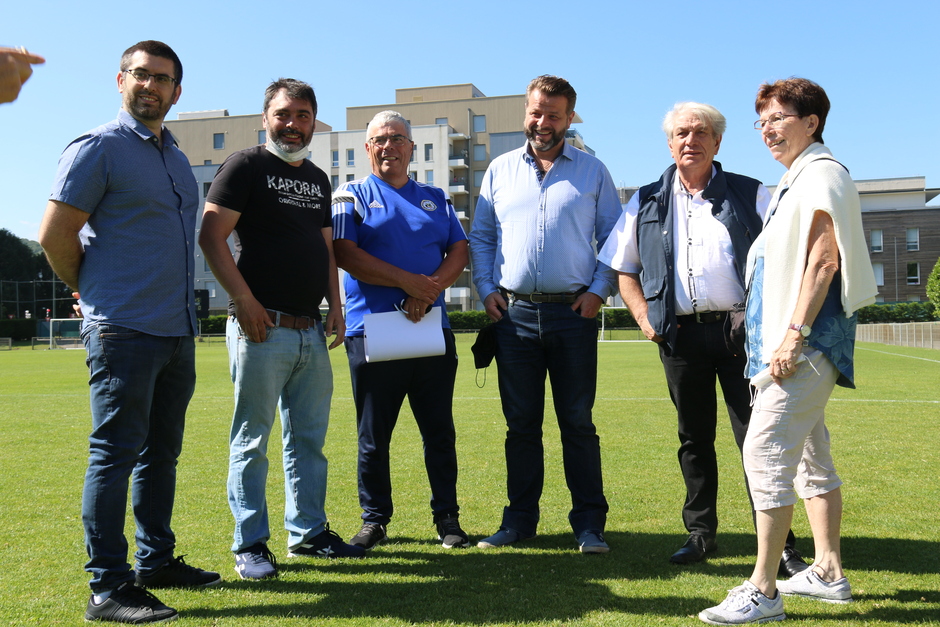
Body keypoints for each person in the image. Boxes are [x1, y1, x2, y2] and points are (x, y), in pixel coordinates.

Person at [38, 40, 220, 624]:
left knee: (160, 454)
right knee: (114, 455)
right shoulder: (99, 149)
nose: (151, 86)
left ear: (177, 91)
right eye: (141, 75)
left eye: (163, 79)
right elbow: (54, 234)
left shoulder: (172, 157)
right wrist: (90, 291)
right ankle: (108, 588)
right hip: (121, 329)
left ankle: (155, 562)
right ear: (120, 81)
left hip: (174, 330)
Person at [597, 102, 807, 575]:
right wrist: (642, 317)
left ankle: (781, 544)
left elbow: (788, 255)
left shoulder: (752, 193)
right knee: (693, 439)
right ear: (669, 144)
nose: (690, 140)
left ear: (717, 142)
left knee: (757, 438)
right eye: (681, 133)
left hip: (745, 336)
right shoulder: (647, 200)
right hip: (680, 338)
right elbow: (622, 266)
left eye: (701, 132)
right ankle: (700, 533)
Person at [699, 78, 877, 624]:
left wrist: (793, 335)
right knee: (808, 457)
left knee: (765, 451)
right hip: (788, 343)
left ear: (811, 122)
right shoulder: (794, 180)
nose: (768, 130)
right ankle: (827, 572)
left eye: (779, 118)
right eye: (762, 121)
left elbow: (825, 261)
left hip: (804, 344)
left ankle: (764, 590)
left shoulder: (822, 174)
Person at [200, 78, 364, 580]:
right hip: (260, 327)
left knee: (308, 440)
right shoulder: (245, 165)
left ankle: (309, 534)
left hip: (310, 329)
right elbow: (210, 236)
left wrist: (335, 306)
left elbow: (326, 248)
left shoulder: (316, 178)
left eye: (302, 115)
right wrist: (244, 301)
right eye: (283, 114)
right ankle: (249, 545)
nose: (292, 125)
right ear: (265, 118)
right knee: (253, 440)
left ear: (314, 122)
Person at [469, 75, 620, 554]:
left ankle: (589, 525)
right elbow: (483, 237)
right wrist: (485, 288)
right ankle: (518, 522)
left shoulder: (593, 171)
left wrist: (599, 291)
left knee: (577, 422)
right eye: (536, 112)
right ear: (526, 113)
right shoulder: (498, 170)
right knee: (521, 426)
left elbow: (617, 240)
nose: (543, 122)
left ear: (570, 118)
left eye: (554, 114)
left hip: (572, 316)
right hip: (512, 317)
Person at [332, 110, 470, 550]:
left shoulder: (437, 197)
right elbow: (344, 253)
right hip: (372, 333)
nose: (388, 146)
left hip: (430, 330)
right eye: (379, 140)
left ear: (412, 148)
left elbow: (459, 250)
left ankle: (447, 518)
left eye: (397, 139)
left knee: (439, 431)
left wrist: (426, 293)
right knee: (374, 436)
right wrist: (407, 282)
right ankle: (375, 520)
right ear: (367, 148)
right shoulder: (349, 194)